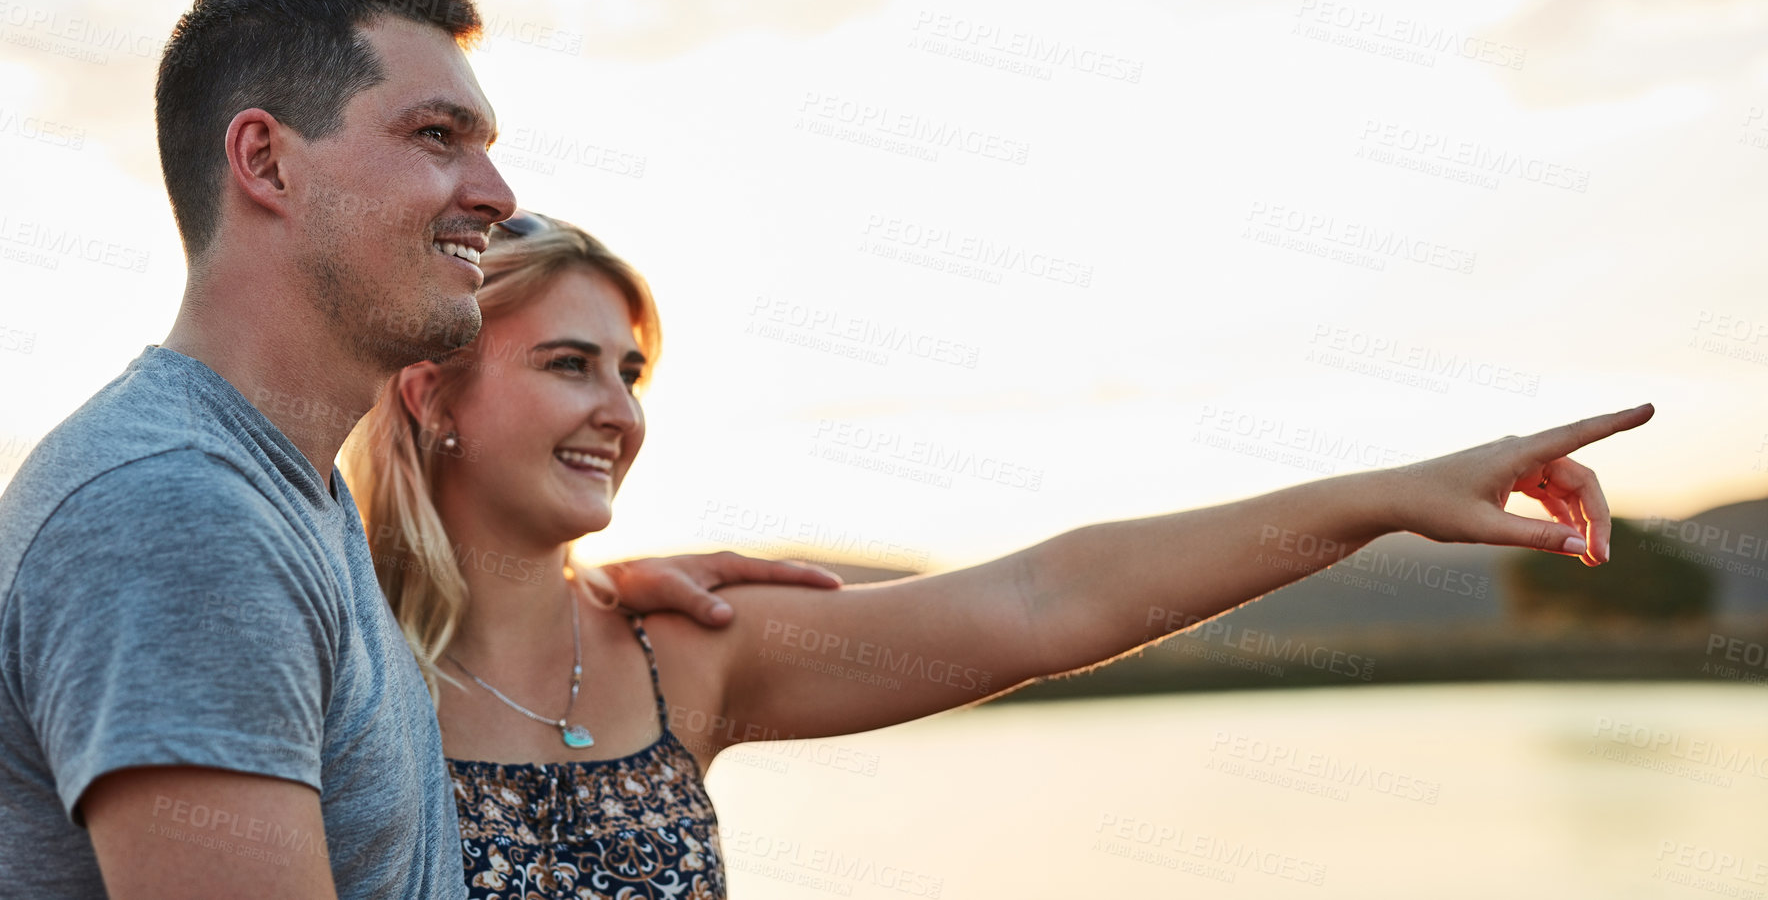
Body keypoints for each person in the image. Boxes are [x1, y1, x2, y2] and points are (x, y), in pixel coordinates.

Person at [349, 208, 1654, 900]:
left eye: (631, 373)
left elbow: (1046, 598)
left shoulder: (679, 650)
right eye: (569, 365)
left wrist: (1386, 493)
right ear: (430, 393)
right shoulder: (318, 653)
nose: (620, 411)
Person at [0, 0, 836, 900]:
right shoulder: (183, 513)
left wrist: (578, 597)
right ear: (267, 162)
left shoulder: (278, 496)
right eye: (438, 135)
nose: (496, 194)